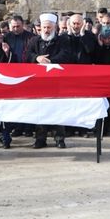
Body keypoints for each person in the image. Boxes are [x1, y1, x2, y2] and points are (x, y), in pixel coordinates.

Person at [26, 13, 71, 148]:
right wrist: (37, 58)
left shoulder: (63, 40)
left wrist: (50, 62)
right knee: (41, 110)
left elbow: (66, 55)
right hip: (39, 82)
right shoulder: (34, 41)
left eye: (49, 28)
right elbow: (27, 55)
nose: (46, 30)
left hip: (57, 81)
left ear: (55, 27)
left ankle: (59, 138)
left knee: (58, 110)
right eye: (44, 27)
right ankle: (40, 139)